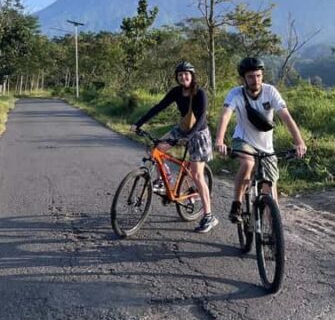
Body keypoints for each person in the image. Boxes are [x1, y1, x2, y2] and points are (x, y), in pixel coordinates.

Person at [214, 57, 307, 223]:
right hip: (243, 140)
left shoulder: (270, 91)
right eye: (250, 77)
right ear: (244, 79)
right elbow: (226, 114)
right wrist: (220, 140)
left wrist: (299, 142)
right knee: (248, 163)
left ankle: (273, 235)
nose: (255, 80)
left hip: (266, 147)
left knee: (271, 193)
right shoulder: (235, 93)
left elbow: (286, 117)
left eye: (258, 76)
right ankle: (237, 204)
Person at [130, 61, 217, 233]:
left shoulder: (200, 93)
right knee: (155, 148)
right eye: (180, 75)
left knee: (198, 175)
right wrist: (138, 124)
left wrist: (188, 137)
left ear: (192, 76)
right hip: (183, 128)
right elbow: (158, 107)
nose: (183, 77)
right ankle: (165, 180)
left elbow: (201, 118)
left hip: (199, 134)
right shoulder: (177, 92)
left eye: (186, 74)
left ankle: (209, 216)